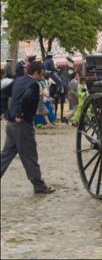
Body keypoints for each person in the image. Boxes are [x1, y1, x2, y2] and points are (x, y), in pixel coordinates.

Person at [0, 61, 55, 194]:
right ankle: (39, 186)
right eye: (42, 73)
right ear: (36, 73)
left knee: (5, 156)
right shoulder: (33, 85)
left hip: (11, 125)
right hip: (23, 126)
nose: (43, 76)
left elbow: (2, 94)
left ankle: (39, 185)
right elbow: (27, 97)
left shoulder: (18, 80)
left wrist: (7, 114)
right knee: (30, 156)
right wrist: (20, 114)